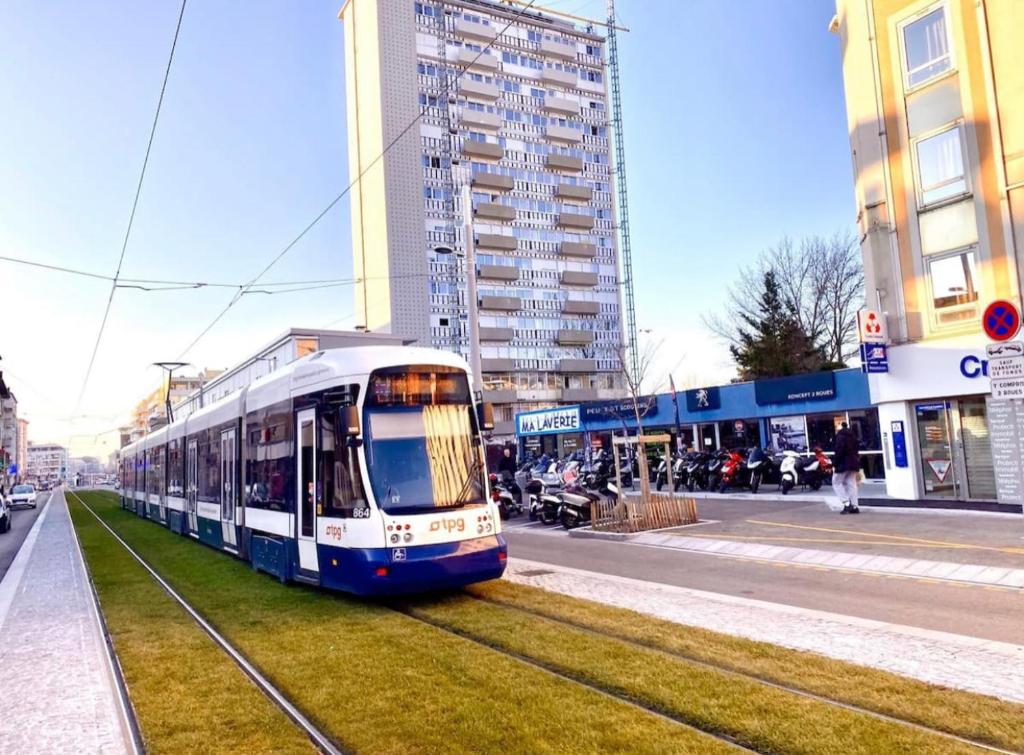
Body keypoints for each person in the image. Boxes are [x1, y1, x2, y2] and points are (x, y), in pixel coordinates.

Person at [832, 421, 861, 514]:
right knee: (851, 483)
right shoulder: (853, 436)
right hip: (853, 462)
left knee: (836, 482)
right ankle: (855, 506)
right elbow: (857, 450)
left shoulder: (840, 437)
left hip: (843, 463)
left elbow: (839, 451)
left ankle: (847, 503)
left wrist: (835, 463)